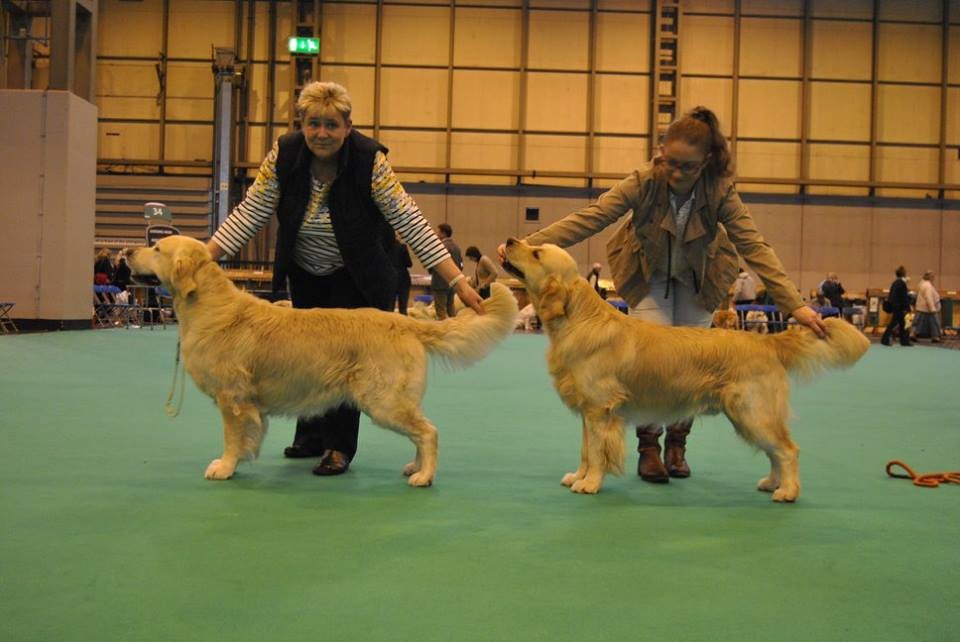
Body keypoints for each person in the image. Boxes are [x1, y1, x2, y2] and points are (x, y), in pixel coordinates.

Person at [497, 106, 826, 484]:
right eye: (669, 162)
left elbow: (754, 246)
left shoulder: (720, 191)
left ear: (706, 162)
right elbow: (593, 217)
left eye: (687, 166)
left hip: (700, 279)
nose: (675, 172)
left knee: (693, 365)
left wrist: (795, 305)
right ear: (660, 151)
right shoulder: (642, 181)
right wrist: (527, 246)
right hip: (648, 274)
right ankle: (649, 448)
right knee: (646, 365)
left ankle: (677, 447)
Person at [205, 81, 483, 477]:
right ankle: (312, 436)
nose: (322, 133)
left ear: (348, 127)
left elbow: (412, 222)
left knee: (350, 362)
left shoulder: (370, 161)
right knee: (304, 356)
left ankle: (338, 447)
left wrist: (458, 282)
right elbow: (251, 213)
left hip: (361, 275)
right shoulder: (284, 156)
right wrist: (202, 258)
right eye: (313, 124)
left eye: (331, 125)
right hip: (306, 270)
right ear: (301, 124)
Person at [431, 223, 463, 319]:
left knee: (441, 311)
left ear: (443, 233)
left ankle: (443, 332)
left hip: (440, 283)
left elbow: (435, 264)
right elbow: (461, 265)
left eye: (438, 231)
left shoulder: (440, 246)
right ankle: (455, 329)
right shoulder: (457, 247)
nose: (436, 234)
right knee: (451, 309)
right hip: (452, 282)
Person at [881, 266, 912, 347]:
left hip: (895, 306)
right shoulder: (902, 283)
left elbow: (892, 295)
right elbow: (903, 297)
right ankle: (885, 339)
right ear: (904, 274)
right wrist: (907, 308)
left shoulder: (895, 282)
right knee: (896, 324)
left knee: (902, 324)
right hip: (900, 307)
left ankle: (904, 341)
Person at [911, 270, 941, 343]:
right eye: (932, 276)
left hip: (921, 307)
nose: (933, 278)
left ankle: (912, 334)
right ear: (930, 277)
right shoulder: (928, 286)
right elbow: (929, 298)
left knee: (917, 322)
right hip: (927, 308)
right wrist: (932, 308)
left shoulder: (921, 284)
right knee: (933, 323)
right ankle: (935, 337)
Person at [390, 232, 413, 314]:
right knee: (403, 308)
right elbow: (409, 264)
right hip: (403, 279)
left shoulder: (386, 247)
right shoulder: (403, 247)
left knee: (390, 307)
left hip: (390, 278)